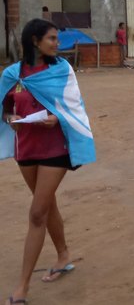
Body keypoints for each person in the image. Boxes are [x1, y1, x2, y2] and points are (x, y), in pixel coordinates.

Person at [1, 18, 96, 305]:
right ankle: (63, 255)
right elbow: (6, 106)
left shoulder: (62, 70)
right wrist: (10, 118)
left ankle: (22, 288)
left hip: (56, 148)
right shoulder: (12, 74)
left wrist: (57, 118)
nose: (57, 43)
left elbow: (74, 106)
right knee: (47, 204)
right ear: (35, 41)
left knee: (37, 213)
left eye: (57, 38)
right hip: (26, 149)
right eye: (52, 39)